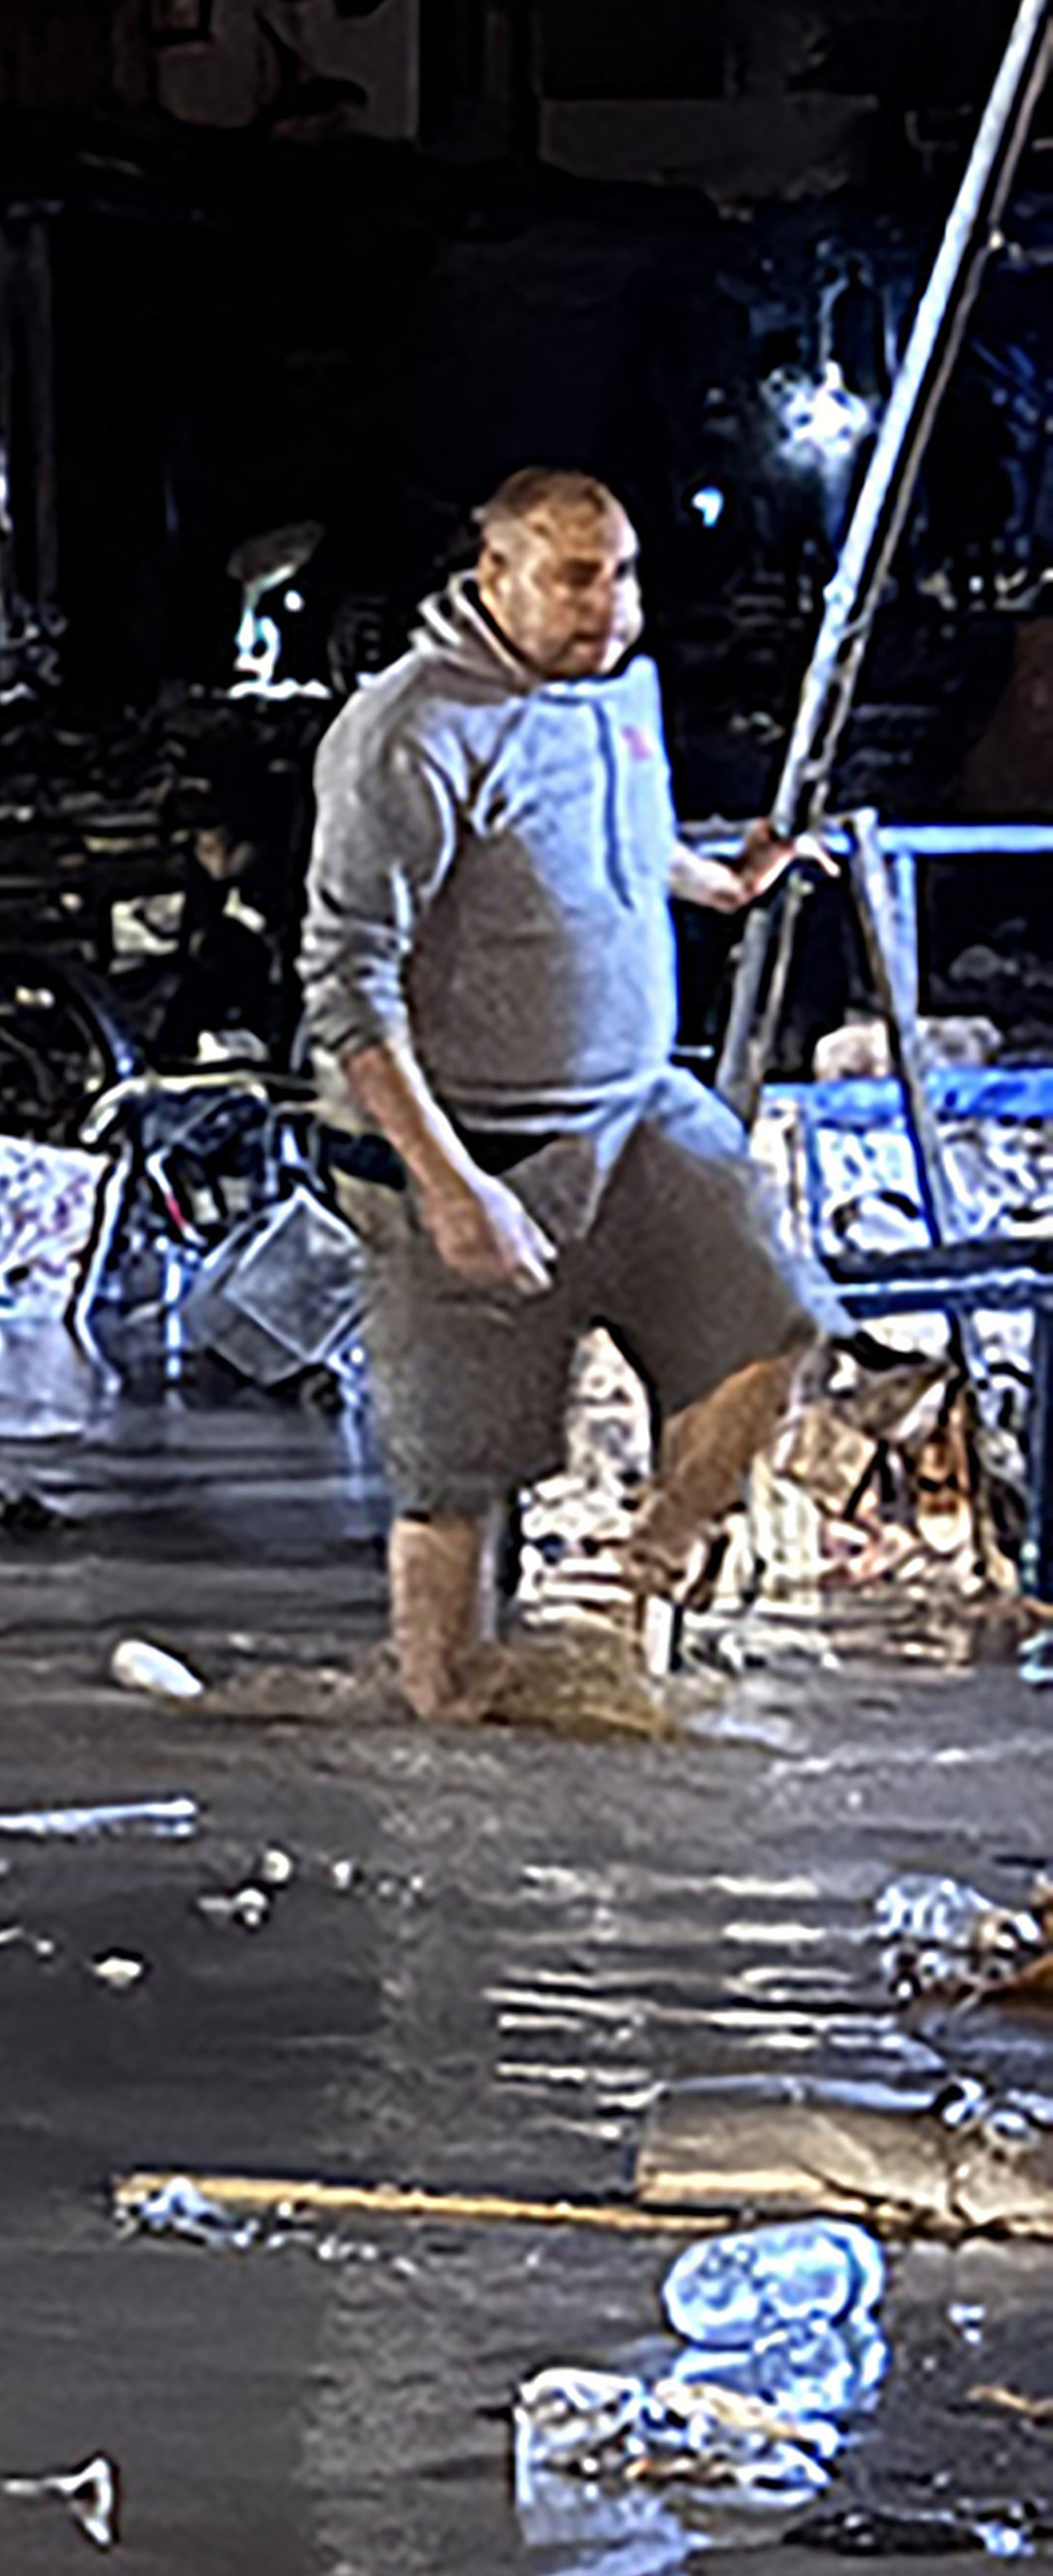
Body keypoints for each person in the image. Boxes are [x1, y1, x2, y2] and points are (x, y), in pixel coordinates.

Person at [303, 468, 834, 1720]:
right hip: (463, 1140)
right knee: (457, 1473)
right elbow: (348, 983)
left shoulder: (614, 692)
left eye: (627, 572)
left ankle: (629, 1583)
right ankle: (443, 1706)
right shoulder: (405, 732)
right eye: (577, 576)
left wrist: (723, 883)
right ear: (493, 575)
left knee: (775, 1324)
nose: (612, 605)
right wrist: (453, 1188)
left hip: (630, 1111)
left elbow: (623, 835)